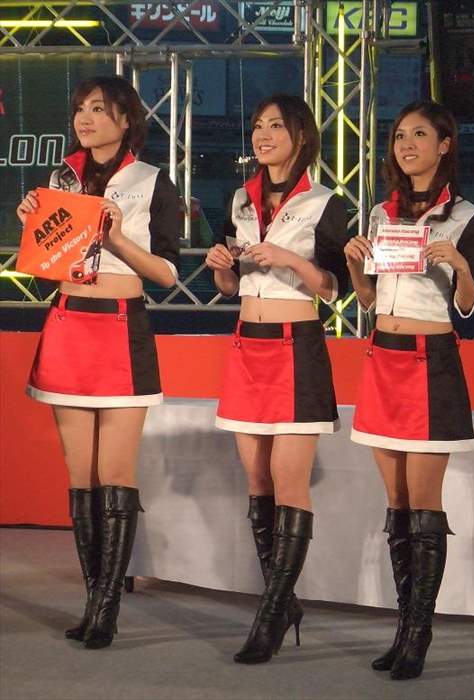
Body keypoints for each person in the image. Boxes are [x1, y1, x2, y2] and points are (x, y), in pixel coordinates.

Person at [16, 76, 180, 650]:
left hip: (121, 328)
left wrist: (116, 239)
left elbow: (167, 274)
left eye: (99, 109)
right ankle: (94, 600)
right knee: (81, 477)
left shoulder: (153, 181)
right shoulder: (61, 178)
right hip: (66, 324)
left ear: (127, 119)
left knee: (115, 473)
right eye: (80, 109)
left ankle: (107, 608)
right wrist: (34, 224)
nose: (85, 118)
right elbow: (46, 265)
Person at [345, 100, 474, 680]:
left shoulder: (467, 217)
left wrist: (460, 266)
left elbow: (469, 306)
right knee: (398, 504)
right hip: (383, 357)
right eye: (400, 135)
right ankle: (404, 626)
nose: (406, 144)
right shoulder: (381, 213)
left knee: (425, 504)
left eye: (420, 135)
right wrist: (354, 263)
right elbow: (370, 300)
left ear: (444, 144)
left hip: (432, 364)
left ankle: (419, 634)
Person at [206, 94, 349, 664]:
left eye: (276, 126)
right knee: (258, 480)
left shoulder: (324, 203)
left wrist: (289, 260)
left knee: (290, 481)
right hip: (247, 345)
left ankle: (268, 618)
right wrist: (221, 268)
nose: (263, 135)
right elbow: (230, 286)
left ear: (301, 136)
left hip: (297, 347)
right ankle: (282, 602)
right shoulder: (241, 199)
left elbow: (335, 289)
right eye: (258, 125)